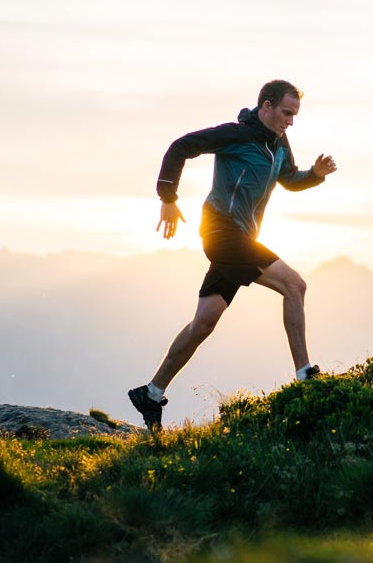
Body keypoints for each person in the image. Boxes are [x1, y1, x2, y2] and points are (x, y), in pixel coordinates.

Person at [128, 80, 337, 430]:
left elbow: (288, 179)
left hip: (241, 236)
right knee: (294, 285)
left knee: (204, 322)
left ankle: (150, 393)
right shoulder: (235, 135)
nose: (291, 121)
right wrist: (168, 198)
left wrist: (314, 175)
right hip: (222, 232)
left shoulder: (279, 143)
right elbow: (181, 146)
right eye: (286, 113)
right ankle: (305, 376)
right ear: (266, 107)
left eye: (295, 115)